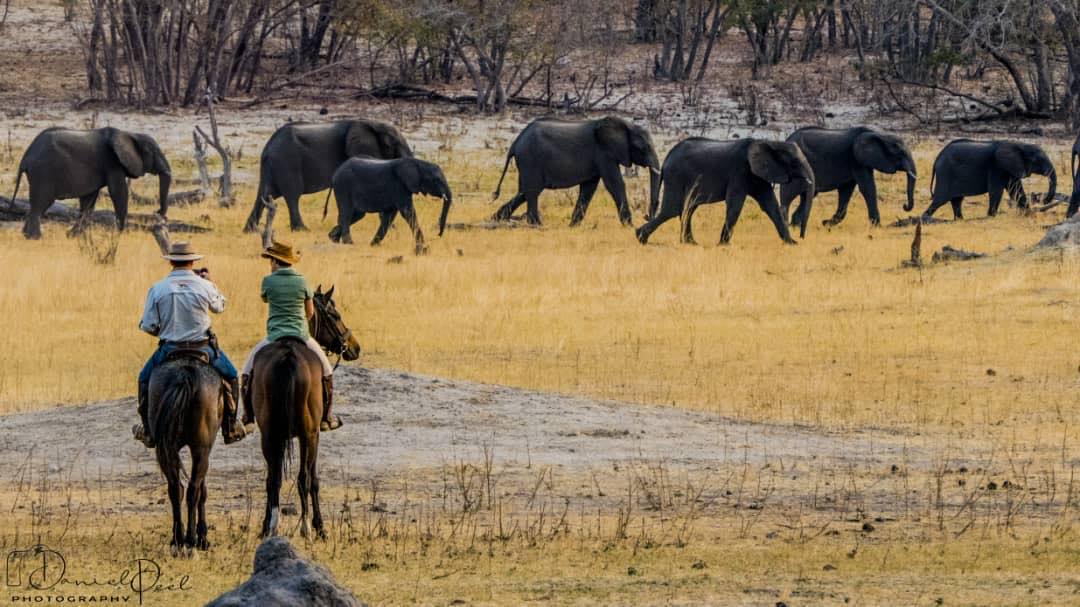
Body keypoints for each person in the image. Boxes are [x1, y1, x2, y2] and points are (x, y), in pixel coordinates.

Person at [135, 242, 247, 447]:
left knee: (143, 379)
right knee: (231, 376)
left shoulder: (158, 288)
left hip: (170, 349)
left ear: (171, 262)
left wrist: (164, 330)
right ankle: (230, 426)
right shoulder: (204, 285)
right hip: (202, 348)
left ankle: (149, 430)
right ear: (193, 261)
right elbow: (219, 307)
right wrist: (211, 282)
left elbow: (149, 325)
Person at [240, 241, 342, 432]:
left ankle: (248, 416)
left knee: (246, 372)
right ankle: (327, 417)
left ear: (276, 261)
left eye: (271, 260)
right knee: (327, 372)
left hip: (273, 337)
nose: (270, 264)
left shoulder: (268, 281)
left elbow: (266, 298)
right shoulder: (303, 281)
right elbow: (310, 313)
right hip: (302, 336)